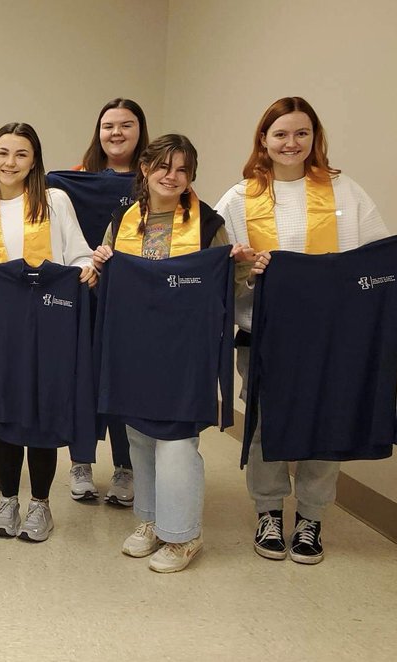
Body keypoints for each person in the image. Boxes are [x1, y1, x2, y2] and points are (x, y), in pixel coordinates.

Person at [216, 96, 397, 565]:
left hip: (334, 336)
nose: (291, 143)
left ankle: (311, 517)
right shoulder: (238, 197)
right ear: (264, 140)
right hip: (265, 334)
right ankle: (269, 511)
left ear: (315, 138)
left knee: (326, 420)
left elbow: (374, 251)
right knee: (266, 424)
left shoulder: (342, 190)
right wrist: (247, 268)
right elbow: (219, 267)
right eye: (281, 134)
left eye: (301, 133)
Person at [92, 134, 251, 572]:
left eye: (182, 169)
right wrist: (100, 263)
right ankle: (150, 520)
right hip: (135, 346)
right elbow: (102, 277)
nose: (171, 176)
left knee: (177, 439)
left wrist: (238, 265)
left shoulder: (209, 226)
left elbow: (228, 287)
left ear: (191, 177)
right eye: (163, 166)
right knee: (140, 436)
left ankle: (184, 535)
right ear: (144, 168)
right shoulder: (123, 220)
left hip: (186, 349)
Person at [0, 122, 97, 542]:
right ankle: (8, 500)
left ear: (34, 159)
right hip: (2, 328)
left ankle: (40, 503)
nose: (10, 162)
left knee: (42, 412)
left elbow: (79, 254)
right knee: (5, 413)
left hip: (51, 324)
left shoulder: (54, 201)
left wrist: (87, 270)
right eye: (3, 153)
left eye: (21, 154)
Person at [55, 98, 151, 507]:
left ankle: (126, 468)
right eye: (108, 126)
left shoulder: (156, 181)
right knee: (83, 377)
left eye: (126, 126)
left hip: (134, 300)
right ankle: (80, 464)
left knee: (122, 380)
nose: (116, 133)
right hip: (84, 292)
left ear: (140, 131)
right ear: (98, 132)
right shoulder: (75, 181)